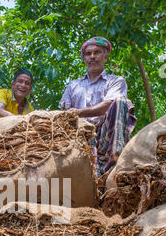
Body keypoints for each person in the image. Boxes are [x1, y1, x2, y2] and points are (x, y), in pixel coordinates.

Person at [59, 37, 137, 178]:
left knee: (121, 101)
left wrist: (78, 112)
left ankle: (115, 158)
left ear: (105, 56)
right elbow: (64, 113)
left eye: (97, 52)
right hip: (79, 134)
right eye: (88, 54)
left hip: (104, 134)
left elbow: (108, 104)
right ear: (84, 58)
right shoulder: (73, 85)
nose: (92, 57)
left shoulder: (116, 81)